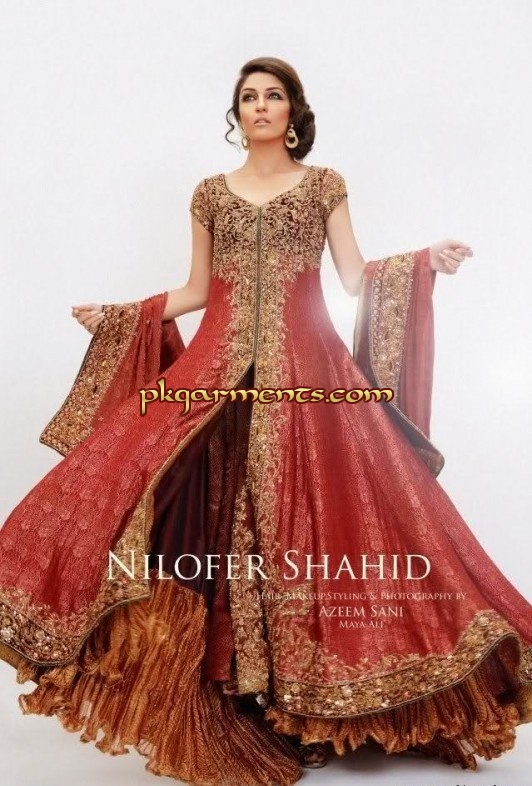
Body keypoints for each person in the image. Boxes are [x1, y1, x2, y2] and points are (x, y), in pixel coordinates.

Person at [1, 55, 530, 785]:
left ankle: (309, 702)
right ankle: (230, 696)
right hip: (215, 370)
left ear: (292, 112)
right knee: (140, 486)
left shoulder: (323, 185)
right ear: (238, 113)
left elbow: (354, 277)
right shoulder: (209, 194)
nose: (258, 106)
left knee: (327, 522)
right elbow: (197, 289)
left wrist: (424, 262)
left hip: (311, 376)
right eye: (247, 96)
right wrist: (122, 316)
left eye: (272, 95)